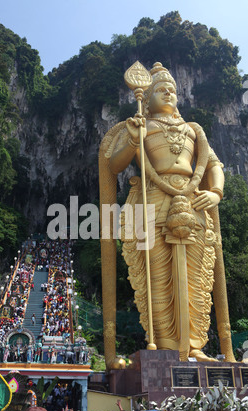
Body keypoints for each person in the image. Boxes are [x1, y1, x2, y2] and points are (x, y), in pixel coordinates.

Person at [100, 61, 235, 367]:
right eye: (160, 90)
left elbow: (213, 165)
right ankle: (165, 345)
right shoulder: (140, 125)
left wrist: (215, 192)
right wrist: (133, 139)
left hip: (193, 204)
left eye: (172, 90)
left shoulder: (193, 129)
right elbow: (113, 165)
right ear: (146, 98)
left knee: (196, 279)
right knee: (157, 278)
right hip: (153, 202)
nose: (168, 94)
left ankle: (195, 346)